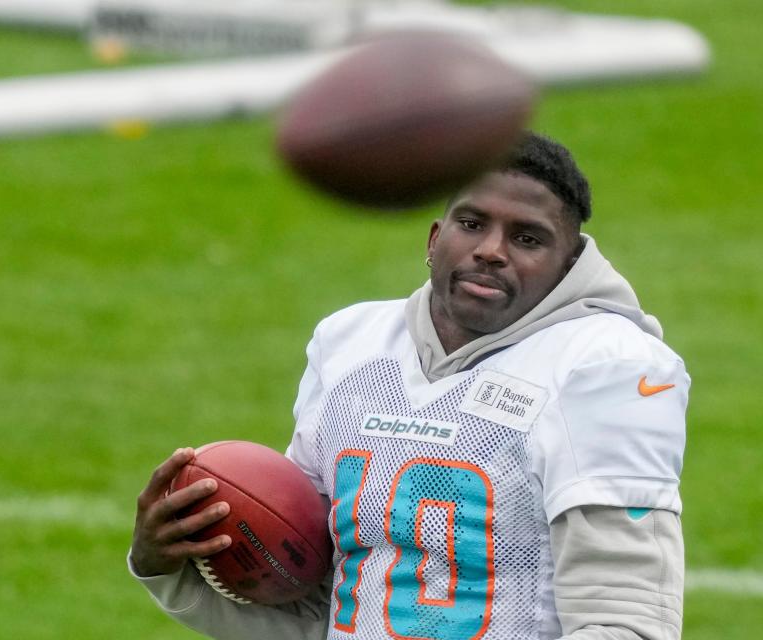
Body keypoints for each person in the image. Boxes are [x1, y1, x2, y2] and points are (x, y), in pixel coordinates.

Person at [129, 132, 689, 640]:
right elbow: (313, 614)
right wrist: (166, 566)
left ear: (568, 266)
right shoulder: (351, 346)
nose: (492, 249)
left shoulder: (606, 367)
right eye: (473, 224)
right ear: (435, 236)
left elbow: (625, 621)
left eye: (527, 238)